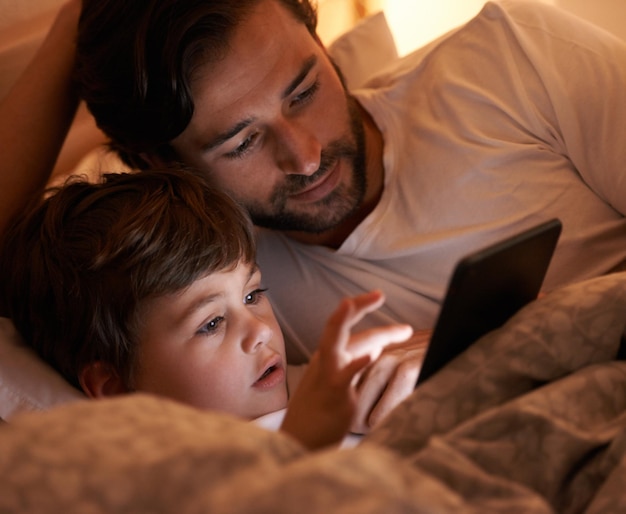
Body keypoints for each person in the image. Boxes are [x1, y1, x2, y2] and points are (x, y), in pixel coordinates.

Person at [0, 166, 414, 450]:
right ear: (115, 390)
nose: (261, 331)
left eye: (252, 295)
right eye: (212, 323)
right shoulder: (164, 482)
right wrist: (307, 438)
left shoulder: (322, 384)